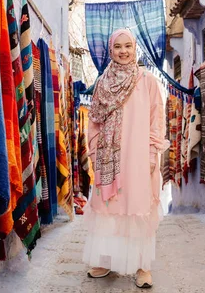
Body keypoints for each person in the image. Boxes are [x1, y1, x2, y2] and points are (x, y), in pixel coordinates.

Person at [83, 29, 169, 289]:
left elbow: (157, 120)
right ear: (111, 50)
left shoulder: (147, 81)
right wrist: (96, 153)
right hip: (110, 159)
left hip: (139, 157)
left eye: (128, 46)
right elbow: (95, 122)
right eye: (118, 46)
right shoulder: (102, 83)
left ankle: (143, 266)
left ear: (135, 49)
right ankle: (106, 260)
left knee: (138, 207)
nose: (123, 51)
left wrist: (154, 152)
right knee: (110, 208)